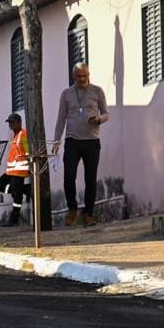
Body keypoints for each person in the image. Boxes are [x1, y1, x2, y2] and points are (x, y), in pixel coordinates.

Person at [53, 62, 109, 227]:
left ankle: (88, 213)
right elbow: (61, 119)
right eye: (79, 76)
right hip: (72, 141)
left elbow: (106, 113)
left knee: (90, 179)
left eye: (85, 76)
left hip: (92, 141)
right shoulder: (66, 94)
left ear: (88, 75)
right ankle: (72, 209)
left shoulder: (97, 91)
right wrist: (57, 141)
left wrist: (99, 119)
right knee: (69, 177)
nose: (82, 79)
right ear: (73, 76)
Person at [0, 113, 29, 227]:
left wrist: (29, 168)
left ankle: (14, 220)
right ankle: (25, 190)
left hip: (19, 171)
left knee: (17, 197)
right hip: (11, 171)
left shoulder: (23, 134)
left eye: (13, 122)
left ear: (19, 123)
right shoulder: (15, 136)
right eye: (9, 122)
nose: (10, 124)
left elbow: (29, 152)